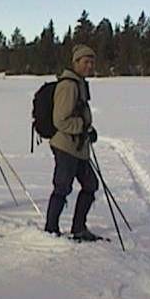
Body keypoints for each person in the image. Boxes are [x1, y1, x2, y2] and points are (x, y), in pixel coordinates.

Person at [44, 44, 101, 240]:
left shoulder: (80, 83)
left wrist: (88, 130)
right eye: (86, 61)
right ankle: (51, 230)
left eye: (92, 61)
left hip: (78, 146)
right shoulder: (68, 85)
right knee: (62, 187)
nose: (90, 65)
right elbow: (60, 120)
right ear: (75, 62)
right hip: (66, 146)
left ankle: (78, 228)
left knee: (90, 184)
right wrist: (83, 127)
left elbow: (79, 115)